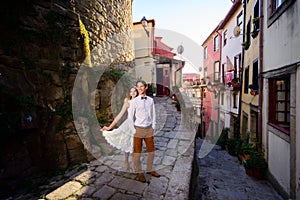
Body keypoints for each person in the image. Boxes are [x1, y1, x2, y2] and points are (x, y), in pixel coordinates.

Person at [128, 80, 160, 183]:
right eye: (138, 87)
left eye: (142, 86)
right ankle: (139, 172)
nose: (140, 88)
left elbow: (153, 113)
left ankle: (149, 169)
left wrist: (153, 126)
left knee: (151, 151)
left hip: (148, 129)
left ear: (145, 87)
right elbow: (130, 117)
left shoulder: (150, 100)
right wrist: (133, 130)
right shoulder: (134, 101)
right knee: (137, 152)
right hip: (138, 129)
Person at [101, 87, 138, 171]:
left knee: (134, 145)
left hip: (138, 125)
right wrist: (110, 127)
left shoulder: (140, 101)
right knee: (127, 143)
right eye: (131, 91)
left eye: (134, 91)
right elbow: (119, 116)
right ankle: (126, 161)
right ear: (129, 93)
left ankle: (133, 163)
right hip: (128, 124)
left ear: (137, 92)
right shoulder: (127, 103)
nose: (133, 93)